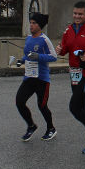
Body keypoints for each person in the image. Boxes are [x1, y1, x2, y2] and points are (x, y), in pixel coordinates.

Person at [55, 1, 85, 153]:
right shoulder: (68, 30)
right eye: (75, 13)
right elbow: (65, 49)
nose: (77, 16)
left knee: (74, 107)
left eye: (80, 14)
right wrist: (60, 50)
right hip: (74, 73)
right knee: (82, 106)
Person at [15, 12, 57, 141]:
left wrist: (39, 57)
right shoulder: (28, 38)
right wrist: (20, 61)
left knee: (42, 105)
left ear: (40, 26)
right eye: (31, 23)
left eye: (34, 23)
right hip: (29, 78)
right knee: (19, 101)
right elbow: (28, 55)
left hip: (42, 79)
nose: (31, 25)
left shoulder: (44, 39)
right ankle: (31, 126)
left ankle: (51, 128)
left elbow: (54, 57)